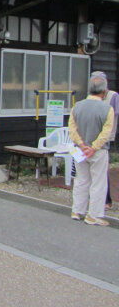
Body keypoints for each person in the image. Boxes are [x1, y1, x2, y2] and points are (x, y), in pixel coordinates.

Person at [68, 74, 115, 226]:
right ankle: (93, 215)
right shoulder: (108, 109)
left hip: (80, 150)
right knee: (98, 183)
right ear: (104, 91)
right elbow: (106, 133)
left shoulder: (77, 106)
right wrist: (93, 148)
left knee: (81, 180)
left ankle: (77, 211)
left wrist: (82, 145)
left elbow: (72, 130)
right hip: (98, 152)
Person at [90, 71, 118, 210]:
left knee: (102, 169)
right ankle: (99, 200)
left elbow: (114, 116)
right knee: (95, 170)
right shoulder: (92, 96)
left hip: (107, 137)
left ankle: (106, 200)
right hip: (93, 136)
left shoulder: (113, 96)